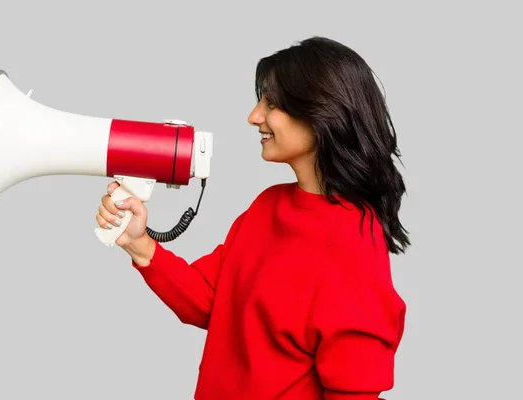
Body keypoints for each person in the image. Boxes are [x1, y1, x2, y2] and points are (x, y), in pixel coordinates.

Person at [96, 36, 410, 400]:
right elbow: (210, 301)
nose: (254, 116)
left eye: (272, 103)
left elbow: (355, 390)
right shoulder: (268, 206)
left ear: (320, 112)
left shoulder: (354, 240)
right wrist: (139, 244)